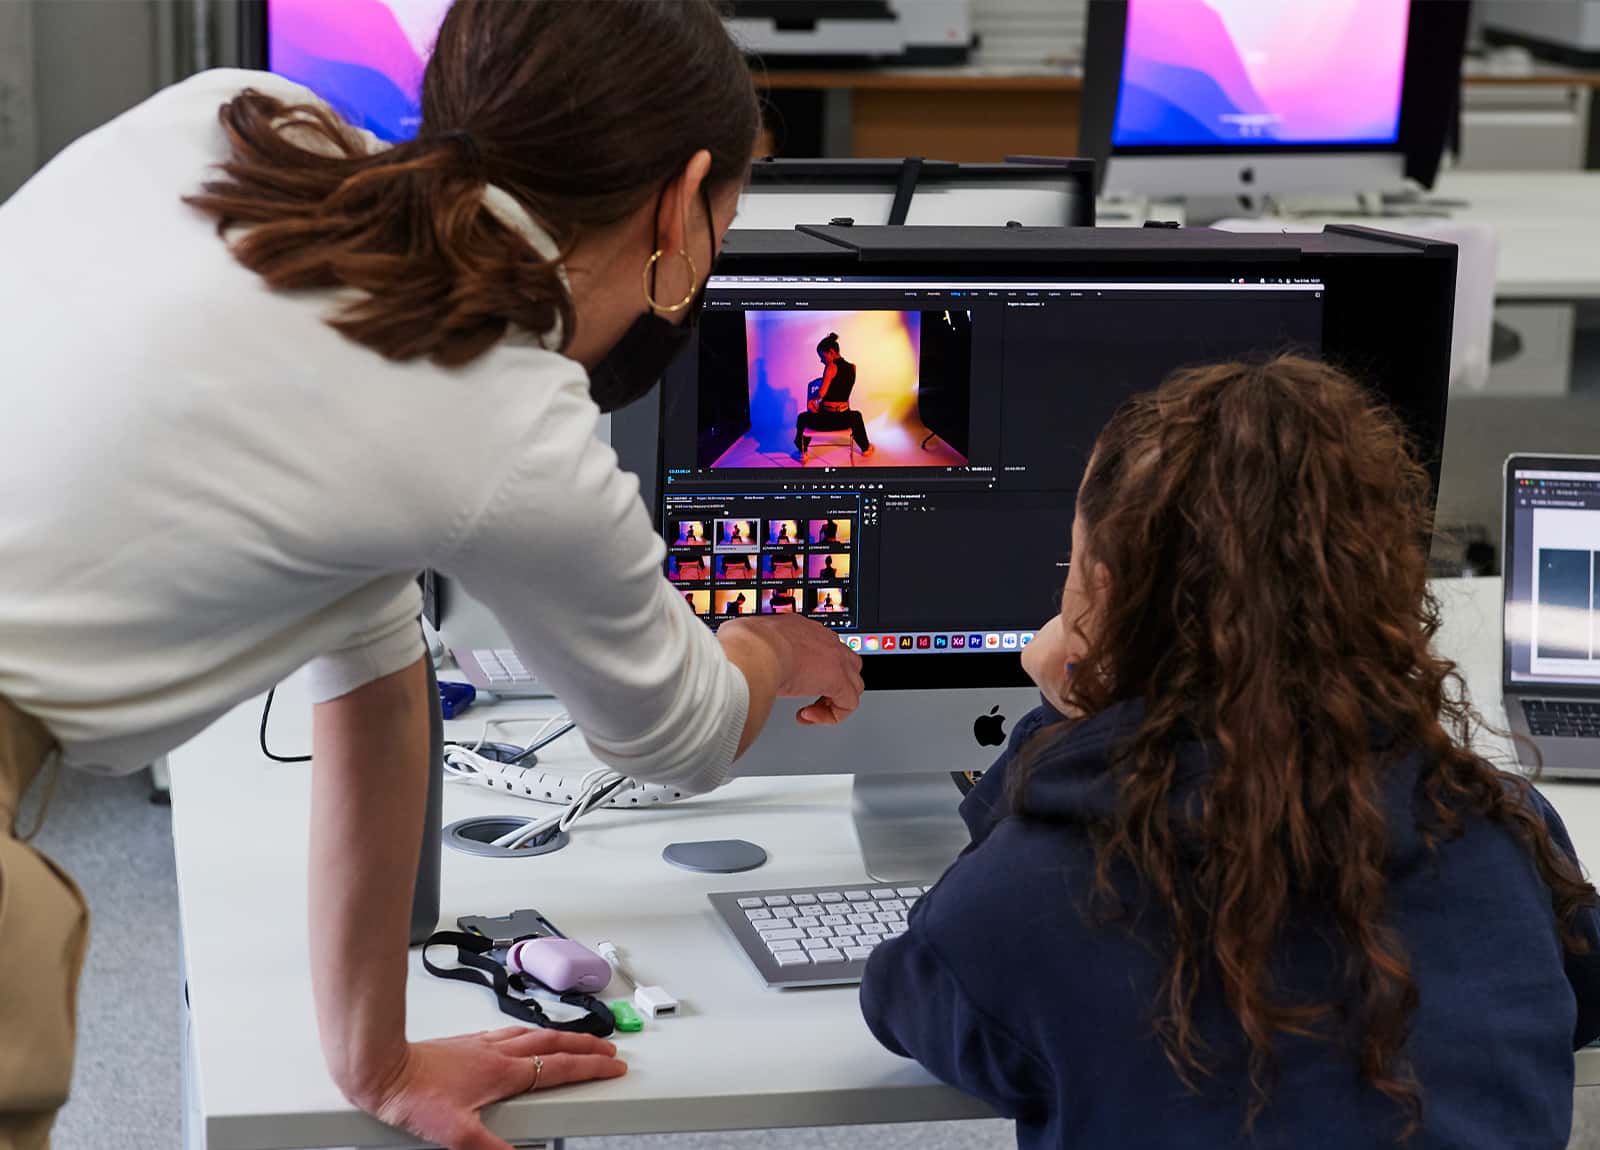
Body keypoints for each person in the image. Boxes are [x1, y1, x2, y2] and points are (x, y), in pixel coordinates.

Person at [0, 5, 866, 1149]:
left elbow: (369, 651)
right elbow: (677, 734)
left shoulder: (233, 119)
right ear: (682, 198)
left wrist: (377, 1058)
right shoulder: (506, 412)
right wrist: (766, 646)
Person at [861, 357, 1600, 1149]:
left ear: (1104, 595)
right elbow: (1577, 992)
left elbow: (909, 999)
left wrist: (1064, 725)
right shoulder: (1499, 828)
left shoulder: (1034, 893)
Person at [795, 333, 873, 459]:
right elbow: (842, 389)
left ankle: (803, 451)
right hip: (844, 419)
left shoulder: (831, 367)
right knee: (857, 416)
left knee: (802, 418)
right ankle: (866, 448)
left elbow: (821, 393)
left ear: (831, 352)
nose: (821, 360)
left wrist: (812, 399)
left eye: (822, 356)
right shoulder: (853, 367)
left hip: (826, 420)